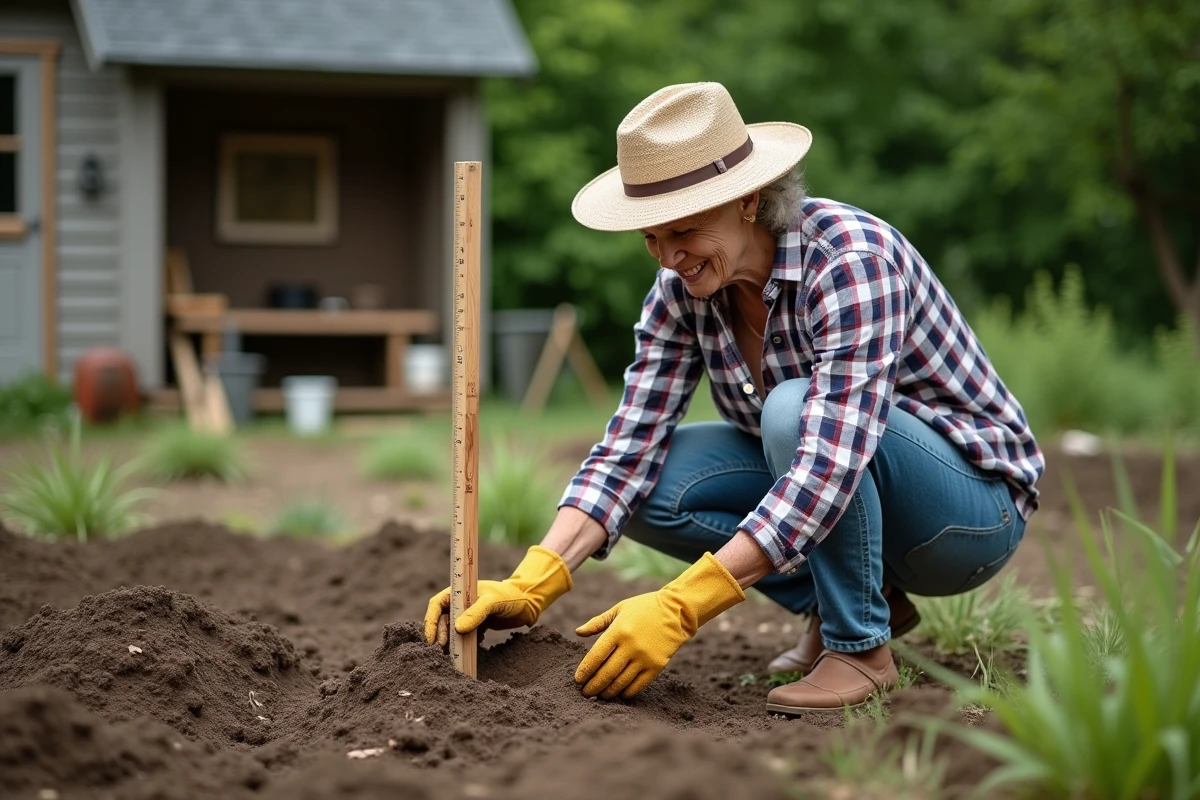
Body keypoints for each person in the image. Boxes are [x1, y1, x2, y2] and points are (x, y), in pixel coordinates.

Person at [425, 81, 1044, 713]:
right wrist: (536, 580)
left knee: (793, 411)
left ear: (747, 200)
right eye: (651, 238)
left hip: (968, 514)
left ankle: (860, 650)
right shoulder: (682, 293)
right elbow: (625, 451)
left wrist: (682, 605)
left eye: (685, 230)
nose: (668, 258)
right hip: (847, 488)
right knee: (649, 484)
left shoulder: (850, 261)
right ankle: (850, 604)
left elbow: (829, 462)